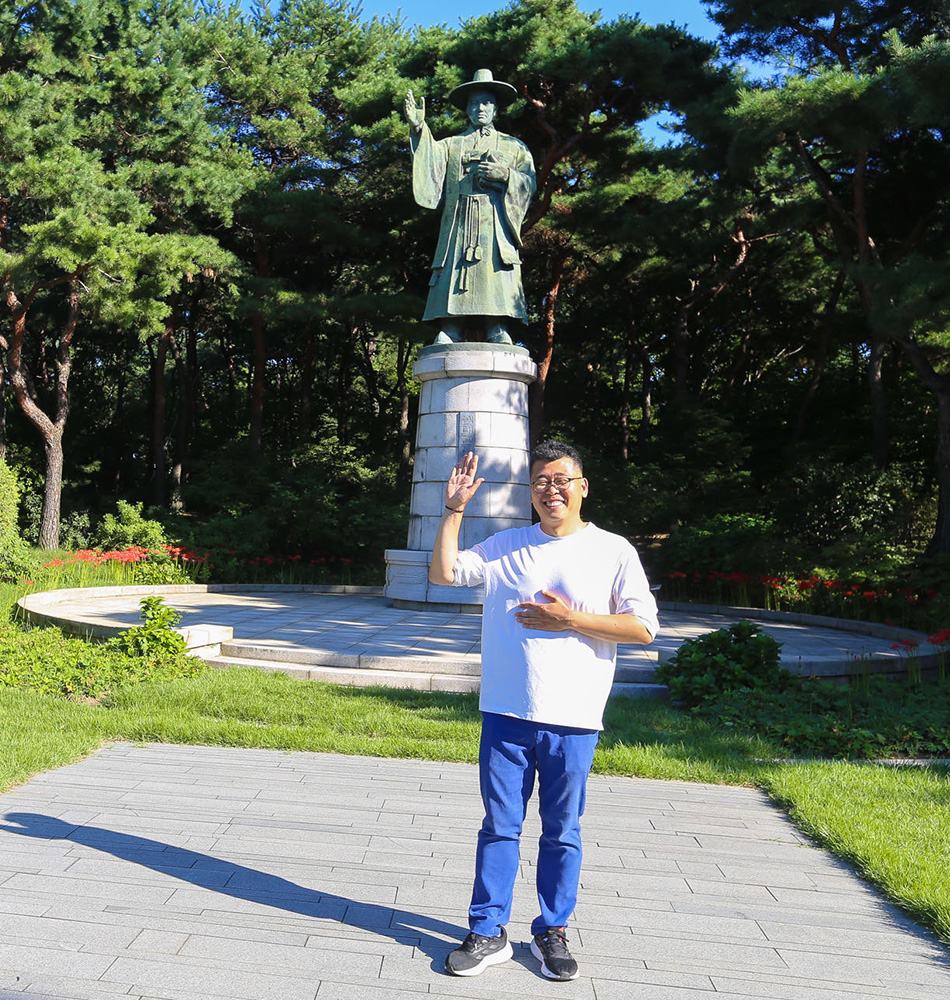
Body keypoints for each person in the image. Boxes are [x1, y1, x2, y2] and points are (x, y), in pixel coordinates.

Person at [429, 441, 659, 980]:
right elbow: (442, 574)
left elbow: (644, 628)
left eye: (561, 480)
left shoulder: (613, 551)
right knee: (499, 826)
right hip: (507, 713)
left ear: (583, 486)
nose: (550, 489)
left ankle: (551, 930)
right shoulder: (507, 545)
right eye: (540, 482)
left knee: (562, 830)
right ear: (530, 491)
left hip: (574, 716)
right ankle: (488, 931)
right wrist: (454, 509)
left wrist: (572, 620)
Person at [404, 69, 536, 345]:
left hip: (495, 218)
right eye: (474, 103)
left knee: (495, 268)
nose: (480, 108)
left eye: (486, 102)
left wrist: (507, 176)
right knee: (453, 265)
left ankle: (498, 326)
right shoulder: (452, 145)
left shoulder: (515, 147)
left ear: (496, 107)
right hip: (459, 220)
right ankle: (450, 326)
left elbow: (529, 184)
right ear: (466, 108)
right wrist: (419, 129)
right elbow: (430, 160)